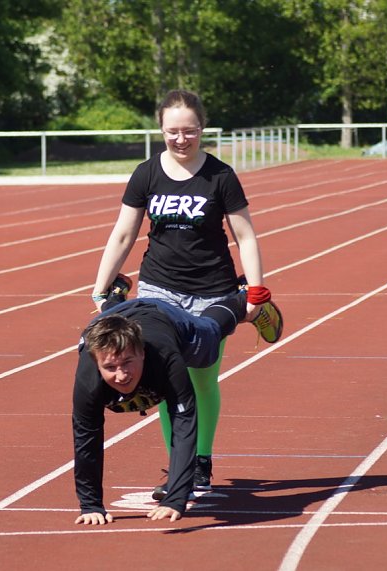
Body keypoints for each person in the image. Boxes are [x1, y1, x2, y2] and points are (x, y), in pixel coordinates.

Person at [89, 89, 282, 496]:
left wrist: (257, 290)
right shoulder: (146, 173)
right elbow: (124, 232)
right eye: (172, 132)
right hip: (160, 289)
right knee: (164, 378)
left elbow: (244, 234)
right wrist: (101, 285)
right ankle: (182, 465)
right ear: (161, 129)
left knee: (202, 377)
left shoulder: (220, 175)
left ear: (202, 129)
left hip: (213, 292)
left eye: (189, 131)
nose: (181, 139)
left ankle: (203, 458)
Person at [73, 284, 248, 525]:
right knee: (115, 326)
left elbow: (184, 425)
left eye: (127, 363)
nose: (121, 375)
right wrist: (90, 504)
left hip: (165, 316)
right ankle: (115, 299)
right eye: (110, 368)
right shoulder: (88, 378)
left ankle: (239, 297)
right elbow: (86, 439)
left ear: (142, 353)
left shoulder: (166, 359)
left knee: (210, 332)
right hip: (115, 318)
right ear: (96, 363)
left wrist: (176, 499)